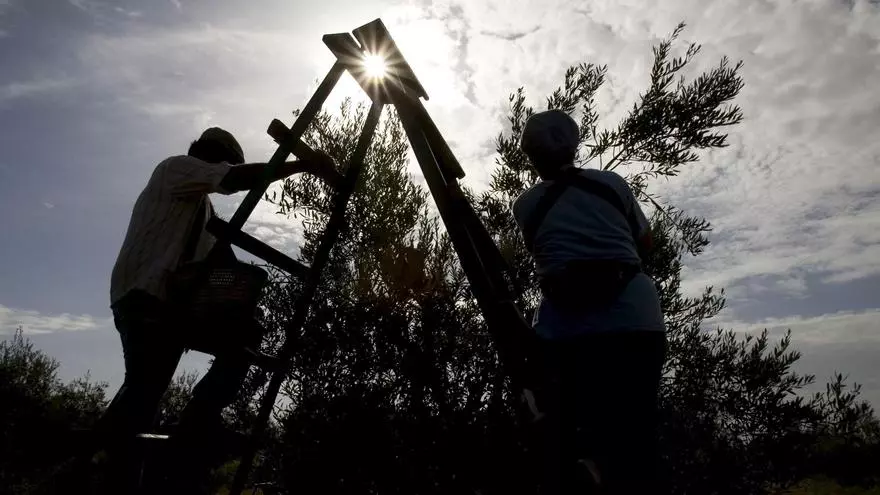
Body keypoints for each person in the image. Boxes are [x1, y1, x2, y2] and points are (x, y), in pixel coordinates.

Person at [95, 127, 341, 492]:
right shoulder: (175, 169)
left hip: (171, 306)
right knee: (145, 388)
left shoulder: (201, 208)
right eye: (225, 162)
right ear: (207, 153)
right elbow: (234, 179)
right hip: (144, 295)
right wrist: (302, 165)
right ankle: (107, 464)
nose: (225, 168)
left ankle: (195, 421)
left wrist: (248, 291)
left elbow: (221, 259)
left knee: (238, 339)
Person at [510, 110, 666, 495]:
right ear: (574, 145)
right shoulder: (611, 184)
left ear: (530, 156)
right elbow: (646, 243)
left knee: (571, 435)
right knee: (636, 437)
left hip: (567, 333)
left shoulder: (525, 205)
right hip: (636, 320)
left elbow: (542, 251)